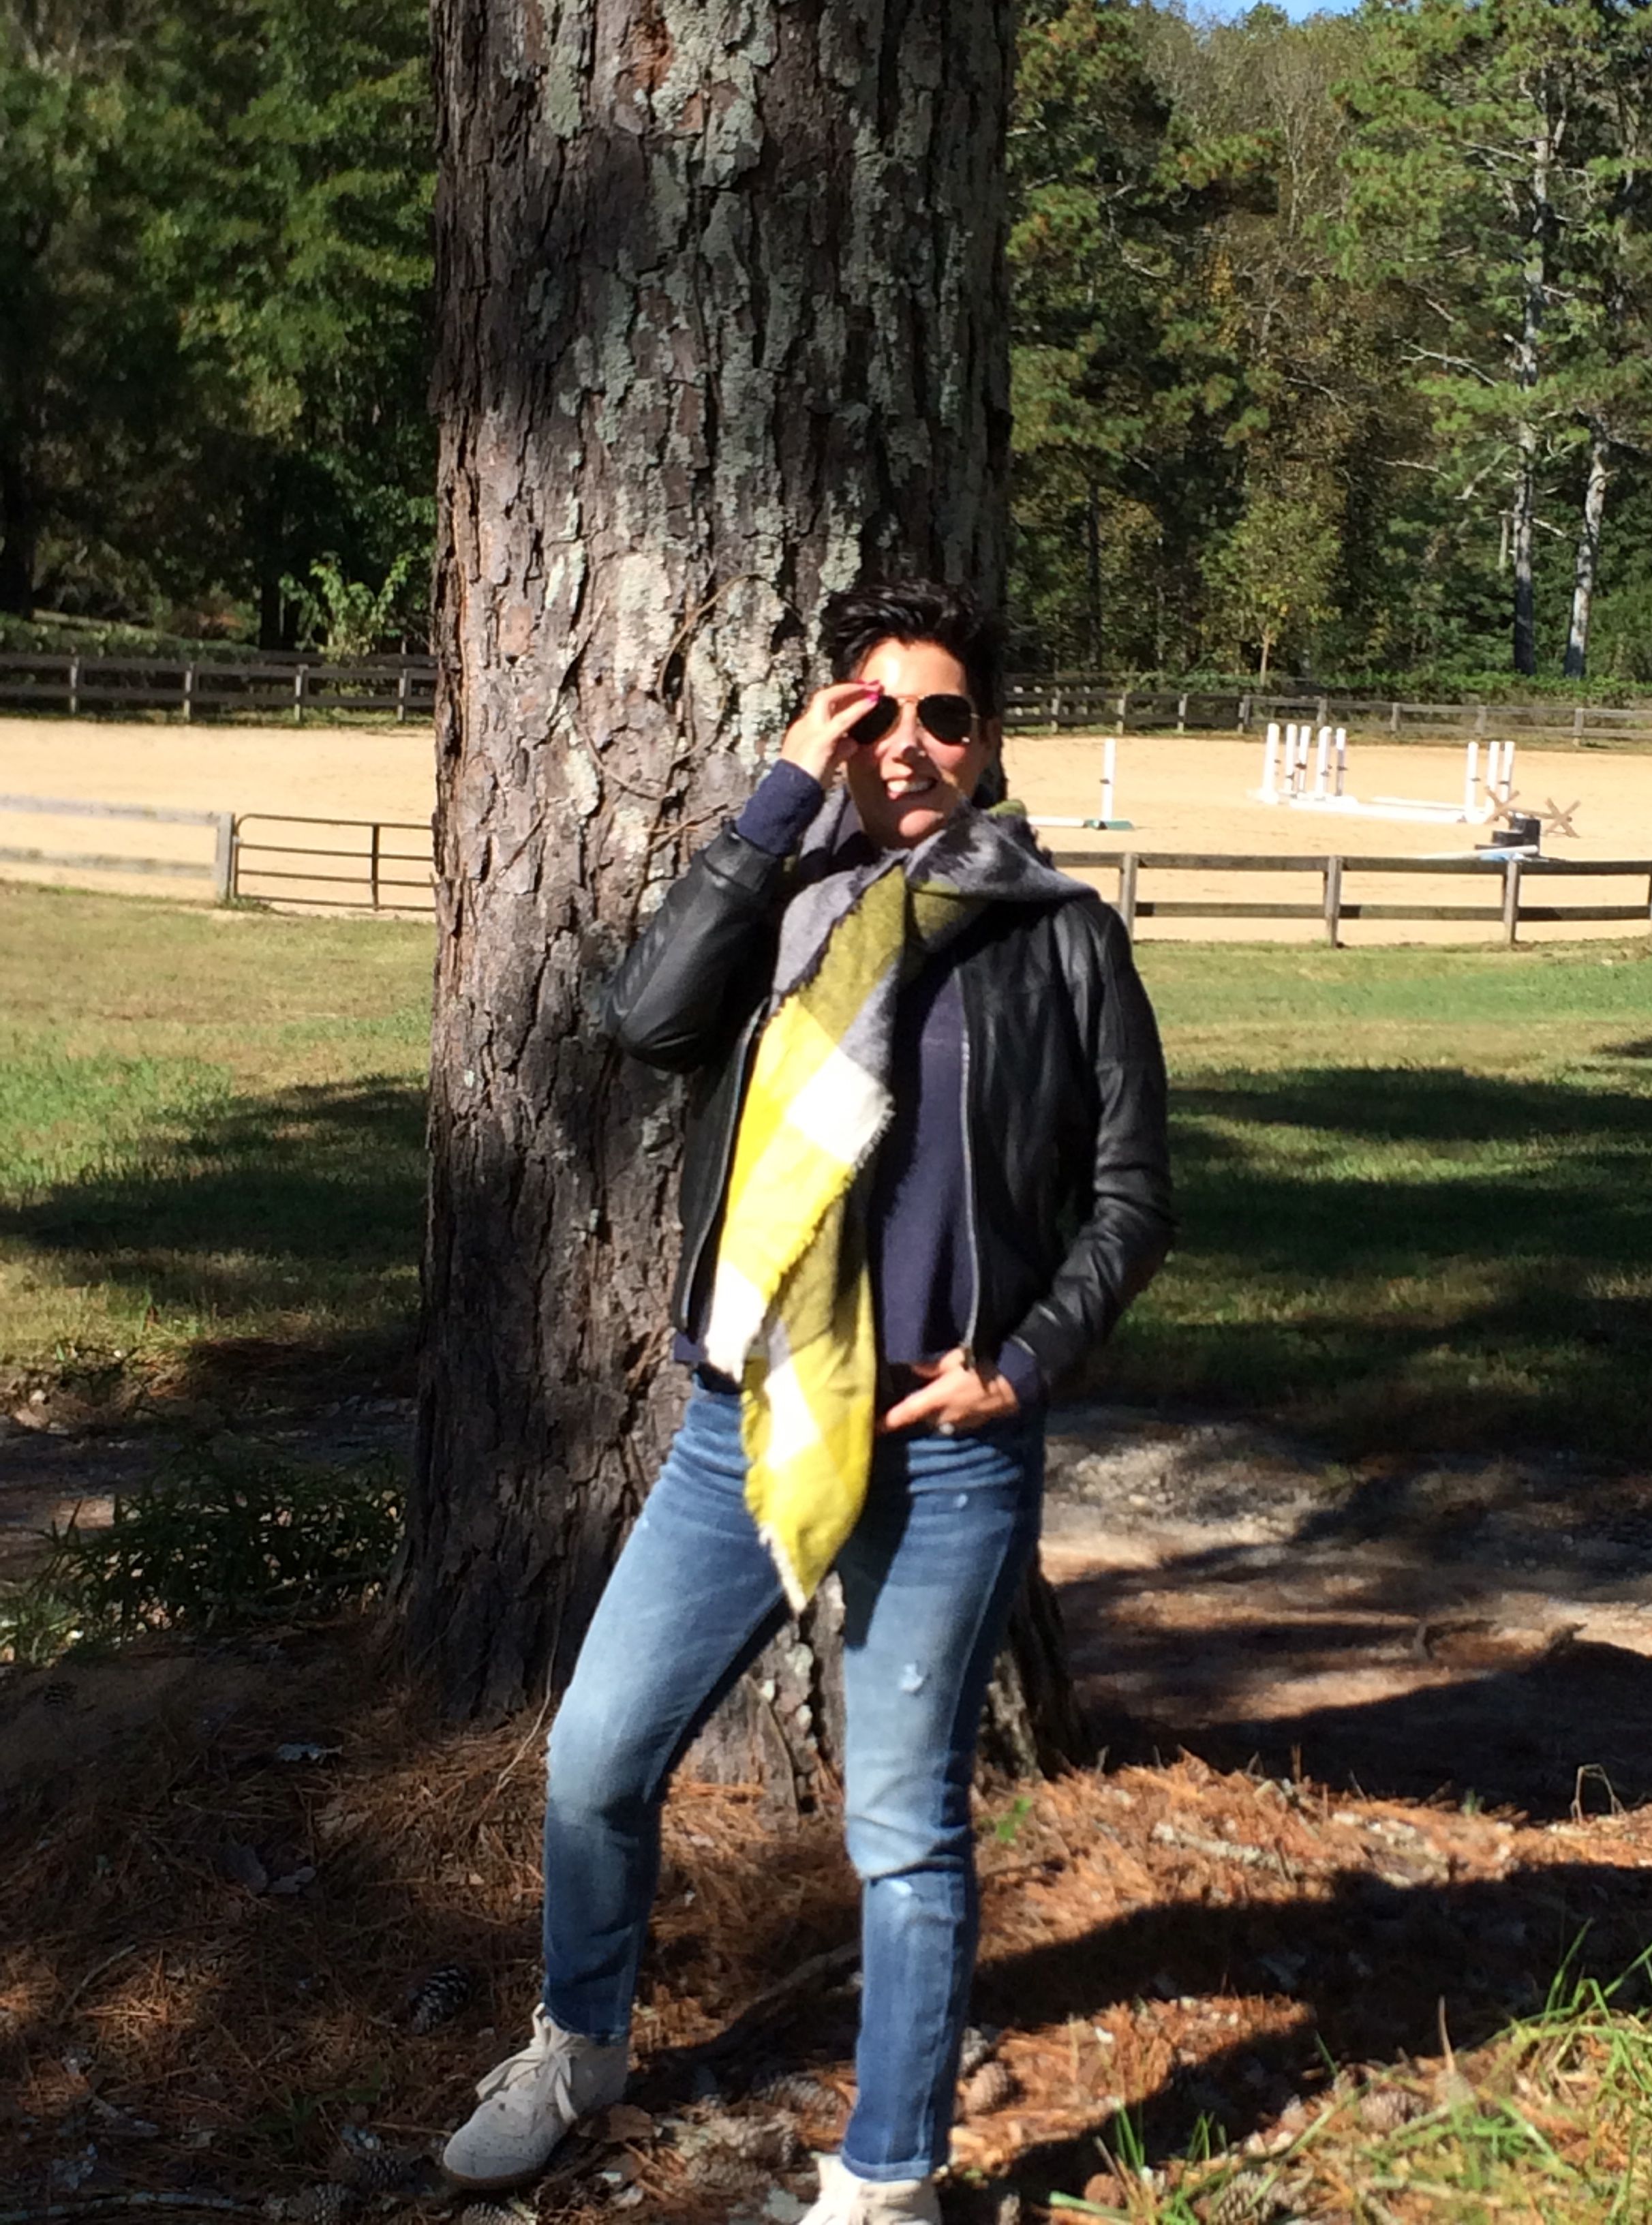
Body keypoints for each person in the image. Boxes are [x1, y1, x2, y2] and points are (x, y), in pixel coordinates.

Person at [442, 580, 1173, 2222]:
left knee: (904, 1829)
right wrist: (777, 798)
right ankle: (581, 2046)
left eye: (945, 715)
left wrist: (1019, 1366)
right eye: (875, 712)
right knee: (596, 1760)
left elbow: (1132, 1201)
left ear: (989, 741)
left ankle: (890, 2176)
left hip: (948, 1444)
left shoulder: (1061, 936)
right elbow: (644, 1023)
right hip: (748, 1419)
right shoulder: (786, 904)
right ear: (836, 727)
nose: (910, 744)